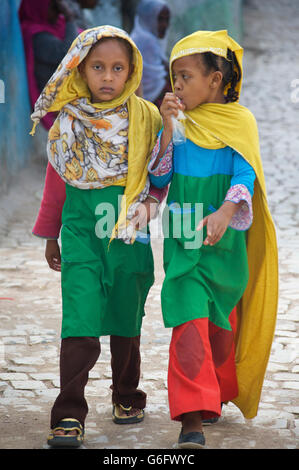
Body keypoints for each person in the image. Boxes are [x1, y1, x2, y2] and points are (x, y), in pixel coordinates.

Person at [30, 25, 166, 448]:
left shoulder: (148, 117)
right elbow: (57, 183)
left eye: (117, 68)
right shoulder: (69, 122)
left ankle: (126, 394)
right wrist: (51, 233)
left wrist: (151, 206)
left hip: (127, 233)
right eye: (98, 67)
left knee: (127, 316)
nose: (108, 77)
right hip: (80, 233)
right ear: (81, 69)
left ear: (131, 71)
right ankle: (69, 411)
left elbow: (160, 175)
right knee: (80, 316)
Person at [148, 29, 278, 448]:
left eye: (185, 76)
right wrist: (166, 129)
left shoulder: (240, 123)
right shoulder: (178, 122)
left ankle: (213, 394)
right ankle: (190, 419)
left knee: (220, 328)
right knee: (188, 324)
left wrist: (225, 211)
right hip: (184, 242)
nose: (177, 86)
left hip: (225, 248)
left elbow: (246, 174)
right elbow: (160, 177)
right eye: (174, 77)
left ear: (216, 81)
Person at [19, 0, 79, 130]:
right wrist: (69, 17)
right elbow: (67, 55)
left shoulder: (56, 26)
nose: (58, 14)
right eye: (53, 8)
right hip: (56, 102)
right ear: (39, 9)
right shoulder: (36, 35)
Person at [131, 0, 171, 108]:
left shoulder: (148, 40)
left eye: (167, 20)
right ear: (148, 19)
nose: (164, 25)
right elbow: (156, 83)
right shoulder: (146, 41)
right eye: (160, 19)